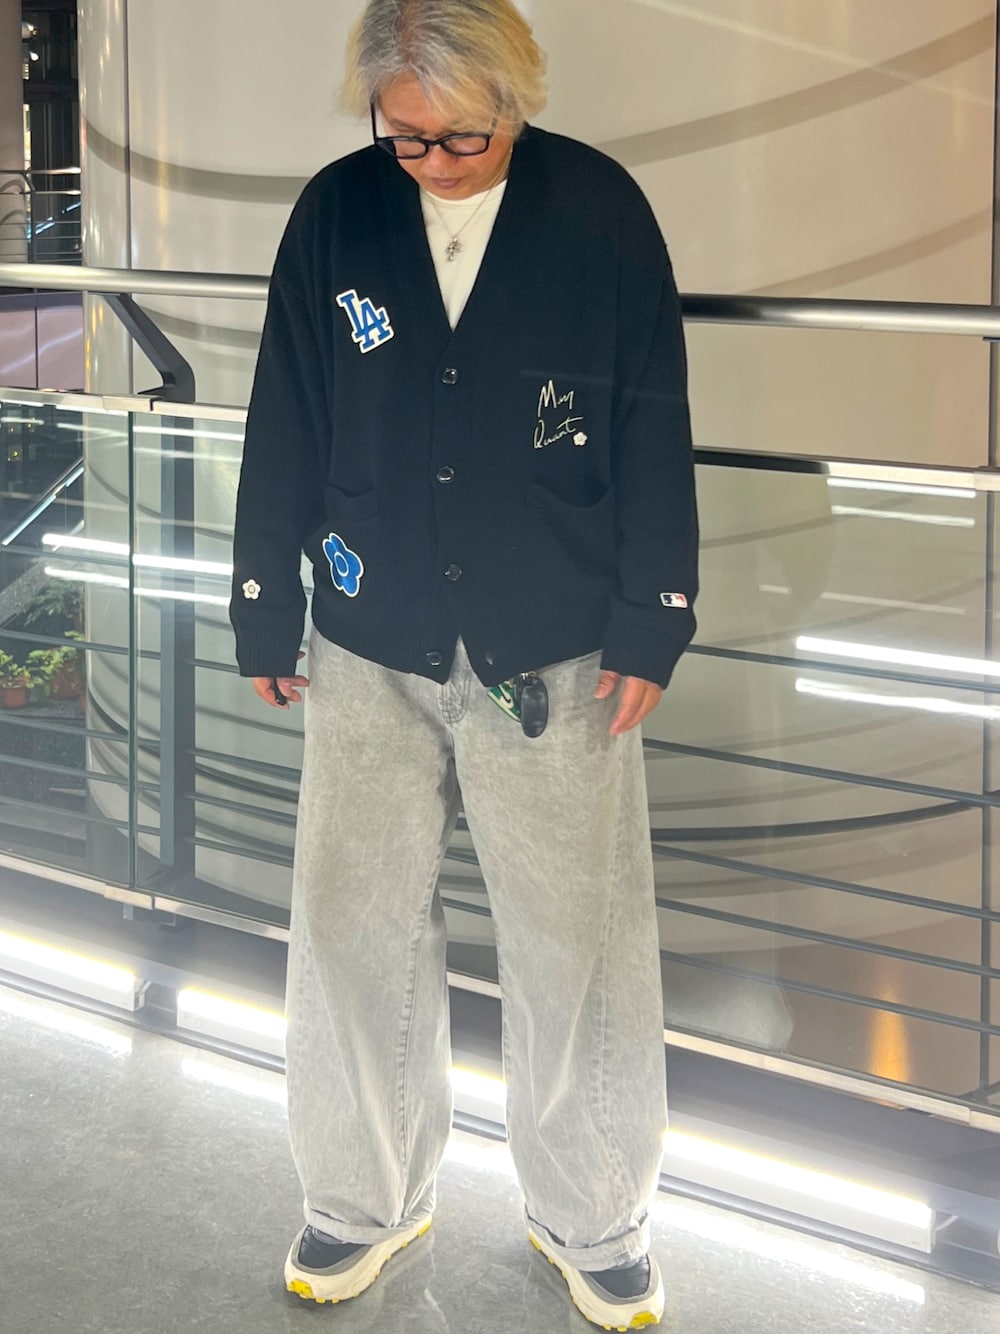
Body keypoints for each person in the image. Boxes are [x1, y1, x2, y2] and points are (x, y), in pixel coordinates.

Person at [229, 1, 698, 1327]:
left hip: (558, 639)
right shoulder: (336, 213)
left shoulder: (599, 212)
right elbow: (286, 409)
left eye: (460, 139)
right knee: (349, 922)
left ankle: (595, 1213)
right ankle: (360, 1194)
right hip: (363, 631)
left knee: (579, 939)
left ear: (515, 101)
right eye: (405, 139)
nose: (431, 163)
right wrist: (263, 598)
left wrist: (656, 609)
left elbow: (652, 413)